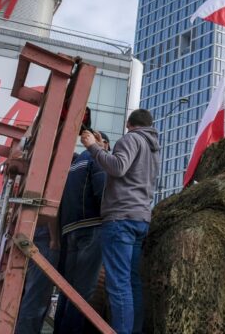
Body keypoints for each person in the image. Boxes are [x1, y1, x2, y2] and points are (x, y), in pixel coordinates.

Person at [80, 110, 161, 334]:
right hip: (139, 219)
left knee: (118, 284)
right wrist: (102, 148)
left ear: (128, 123)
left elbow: (118, 167)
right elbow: (126, 168)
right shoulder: (152, 147)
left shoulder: (130, 138)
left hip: (120, 219)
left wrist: (92, 147)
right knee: (132, 282)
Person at [54, 132, 109, 333]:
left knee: (68, 290)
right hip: (92, 227)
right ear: (104, 144)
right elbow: (103, 192)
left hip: (70, 231)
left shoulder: (73, 165)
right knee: (84, 293)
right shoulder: (97, 157)